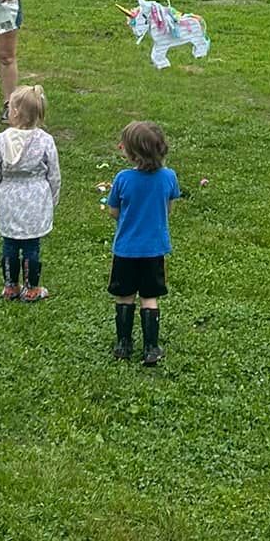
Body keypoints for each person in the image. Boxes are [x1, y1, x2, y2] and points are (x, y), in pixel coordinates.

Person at [105, 120, 181, 367]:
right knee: (149, 297)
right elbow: (168, 208)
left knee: (124, 295)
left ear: (132, 153)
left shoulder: (123, 179)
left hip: (125, 249)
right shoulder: (169, 177)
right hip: (154, 249)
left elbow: (113, 210)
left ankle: (123, 344)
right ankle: (151, 347)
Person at [0, 84, 60, 304]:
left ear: (16, 112)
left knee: (9, 243)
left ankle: (10, 286)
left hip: (9, 196)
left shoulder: (2, 140)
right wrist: (53, 198)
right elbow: (54, 174)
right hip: (36, 198)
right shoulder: (45, 140)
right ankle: (31, 288)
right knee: (31, 245)